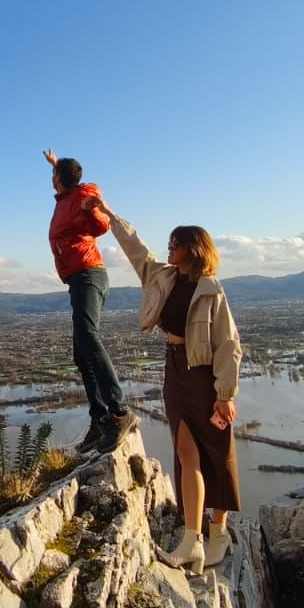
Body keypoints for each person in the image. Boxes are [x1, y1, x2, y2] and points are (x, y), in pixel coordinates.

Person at [87, 194, 243, 573]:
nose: (169, 247)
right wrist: (109, 215)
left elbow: (229, 343)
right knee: (185, 453)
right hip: (175, 370)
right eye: (170, 243)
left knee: (217, 453)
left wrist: (226, 394)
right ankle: (193, 540)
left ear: (194, 248)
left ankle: (218, 535)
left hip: (204, 375)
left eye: (176, 242)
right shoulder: (162, 276)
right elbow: (135, 247)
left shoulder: (211, 289)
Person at [44, 149, 136, 455]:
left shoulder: (83, 196)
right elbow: (72, 180)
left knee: (88, 339)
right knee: (81, 353)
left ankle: (120, 412)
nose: (51, 177)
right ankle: (100, 420)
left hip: (88, 275)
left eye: (54, 174)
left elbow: (100, 226)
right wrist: (57, 164)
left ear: (59, 180)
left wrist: (95, 209)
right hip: (78, 279)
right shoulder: (66, 196)